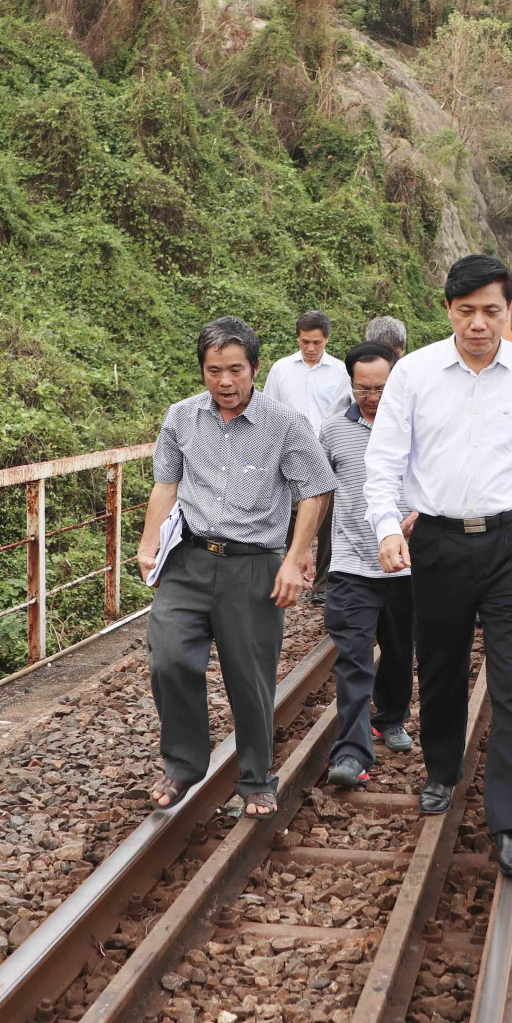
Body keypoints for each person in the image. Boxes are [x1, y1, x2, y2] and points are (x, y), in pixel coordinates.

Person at [363, 254, 512, 878]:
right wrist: (386, 528)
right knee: (438, 665)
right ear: (448, 311)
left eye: (492, 311)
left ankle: (509, 821)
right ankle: (441, 770)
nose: (480, 324)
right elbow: (383, 462)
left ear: (508, 309)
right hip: (436, 540)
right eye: (467, 312)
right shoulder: (413, 374)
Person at [136, 317, 338, 820]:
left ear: (254, 367)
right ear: (201, 371)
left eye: (235, 370)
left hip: (254, 564)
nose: (225, 382)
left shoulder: (284, 423)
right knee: (168, 658)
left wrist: (294, 559)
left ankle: (254, 777)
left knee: (249, 677)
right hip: (187, 558)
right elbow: (166, 484)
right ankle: (184, 764)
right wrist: (146, 545)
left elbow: (316, 489)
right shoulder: (181, 418)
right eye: (213, 371)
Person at [314, 342, 416, 789]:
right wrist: (302, 553)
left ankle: (392, 716)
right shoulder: (334, 431)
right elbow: (318, 493)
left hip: (407, 565)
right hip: (351, 564)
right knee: (353, 659)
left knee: (398, 650)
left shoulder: (419, 427)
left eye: (380, 387)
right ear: (351, 385)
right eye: (363, 388)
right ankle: (352, 754)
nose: (372, 396)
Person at [264, 311, 348, 601]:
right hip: (289, 449)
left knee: (327, 519)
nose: (310, 348)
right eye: (304, 342)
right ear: (297, 338)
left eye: (316, 342)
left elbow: (345, 412)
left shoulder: (340, 371)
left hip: (327, 451)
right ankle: (285, 573)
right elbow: (269, 408)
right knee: (285, 514)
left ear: (326, 339)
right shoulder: (282, 369)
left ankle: (323, 584)